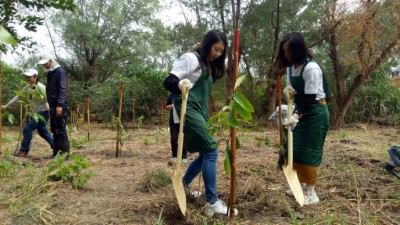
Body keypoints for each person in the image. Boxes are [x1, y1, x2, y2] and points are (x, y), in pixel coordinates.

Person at [163, 29, 238, 217]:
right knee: (211, 150)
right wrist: (179, 85)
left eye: (221, 51)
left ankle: (183, 184)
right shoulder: (191, 58)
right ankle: (212, 202)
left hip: (201, 111)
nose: (218, 54)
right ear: (207, 44)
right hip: (188, 108)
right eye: (216, 49)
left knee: (205, 152)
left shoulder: (207, 65)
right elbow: (169, 81)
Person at [274, 32, 330, 205]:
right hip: (300, 109)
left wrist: (297, 115)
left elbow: (311, 95)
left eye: (290, 51)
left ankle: (311, 192)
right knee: (294, 147)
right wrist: (288, 102)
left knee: (309, 151)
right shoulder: (291, 68)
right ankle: (299, 186)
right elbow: (294, 92)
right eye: (285, 51)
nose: (287, 55)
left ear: (298, 49)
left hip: (315, 112)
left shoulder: (311, 68)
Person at [2, 69, 54, 157]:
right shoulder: (27, 87)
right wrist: (7, 104)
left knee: (27, 129)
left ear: (35, 77)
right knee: (42, 132)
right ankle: (57, 147)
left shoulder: (41, 87)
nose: (27, 78)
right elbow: (19, 96)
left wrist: (50, 109)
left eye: (29, 76)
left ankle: (23, 151)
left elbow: (47, 98)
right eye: (26, 76)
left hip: (43, 112)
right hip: (35, 113)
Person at [37, 58, 70, 159]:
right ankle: (56, 153)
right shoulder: (50, 73)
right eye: (43, 64)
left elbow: (63, 89)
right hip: (52, 106)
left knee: (61, 129)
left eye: (46, 63)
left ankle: (64, 155)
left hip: (60, 106)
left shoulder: (60, 71)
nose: (44, 66)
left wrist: (60, 105)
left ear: (51, 61)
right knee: (55, 130)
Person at [166, 93, 188, 164]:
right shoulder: (172, 96)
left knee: (184, 139)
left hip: (184, 121)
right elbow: (166, 107)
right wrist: (171, 106)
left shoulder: (186, 95)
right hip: (173, 121)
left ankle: (184, 157)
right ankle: (175, 156)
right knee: (174, 139)